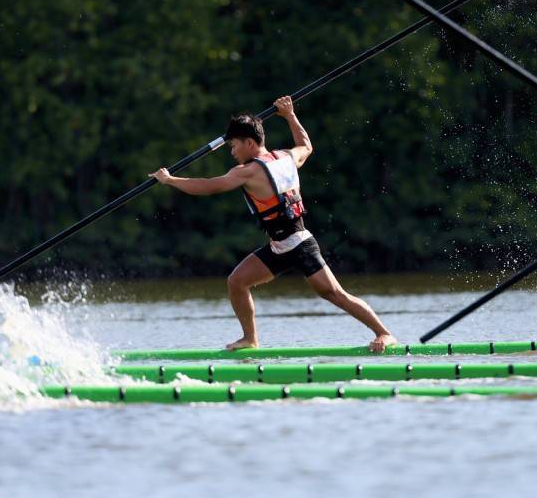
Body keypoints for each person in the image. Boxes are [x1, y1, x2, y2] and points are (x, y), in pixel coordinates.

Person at [151, 96, 397, 352]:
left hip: (299, 244)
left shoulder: (247, 172)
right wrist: (290, 115)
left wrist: (170, 180)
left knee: (334, 293)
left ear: (249, 143)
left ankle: (384, 333)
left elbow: (208, 186)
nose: (232, 152)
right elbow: (306, 146)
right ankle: (250, 339)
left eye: (234, 146)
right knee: (237, 282)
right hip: (279, 246)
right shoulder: (287, 156)